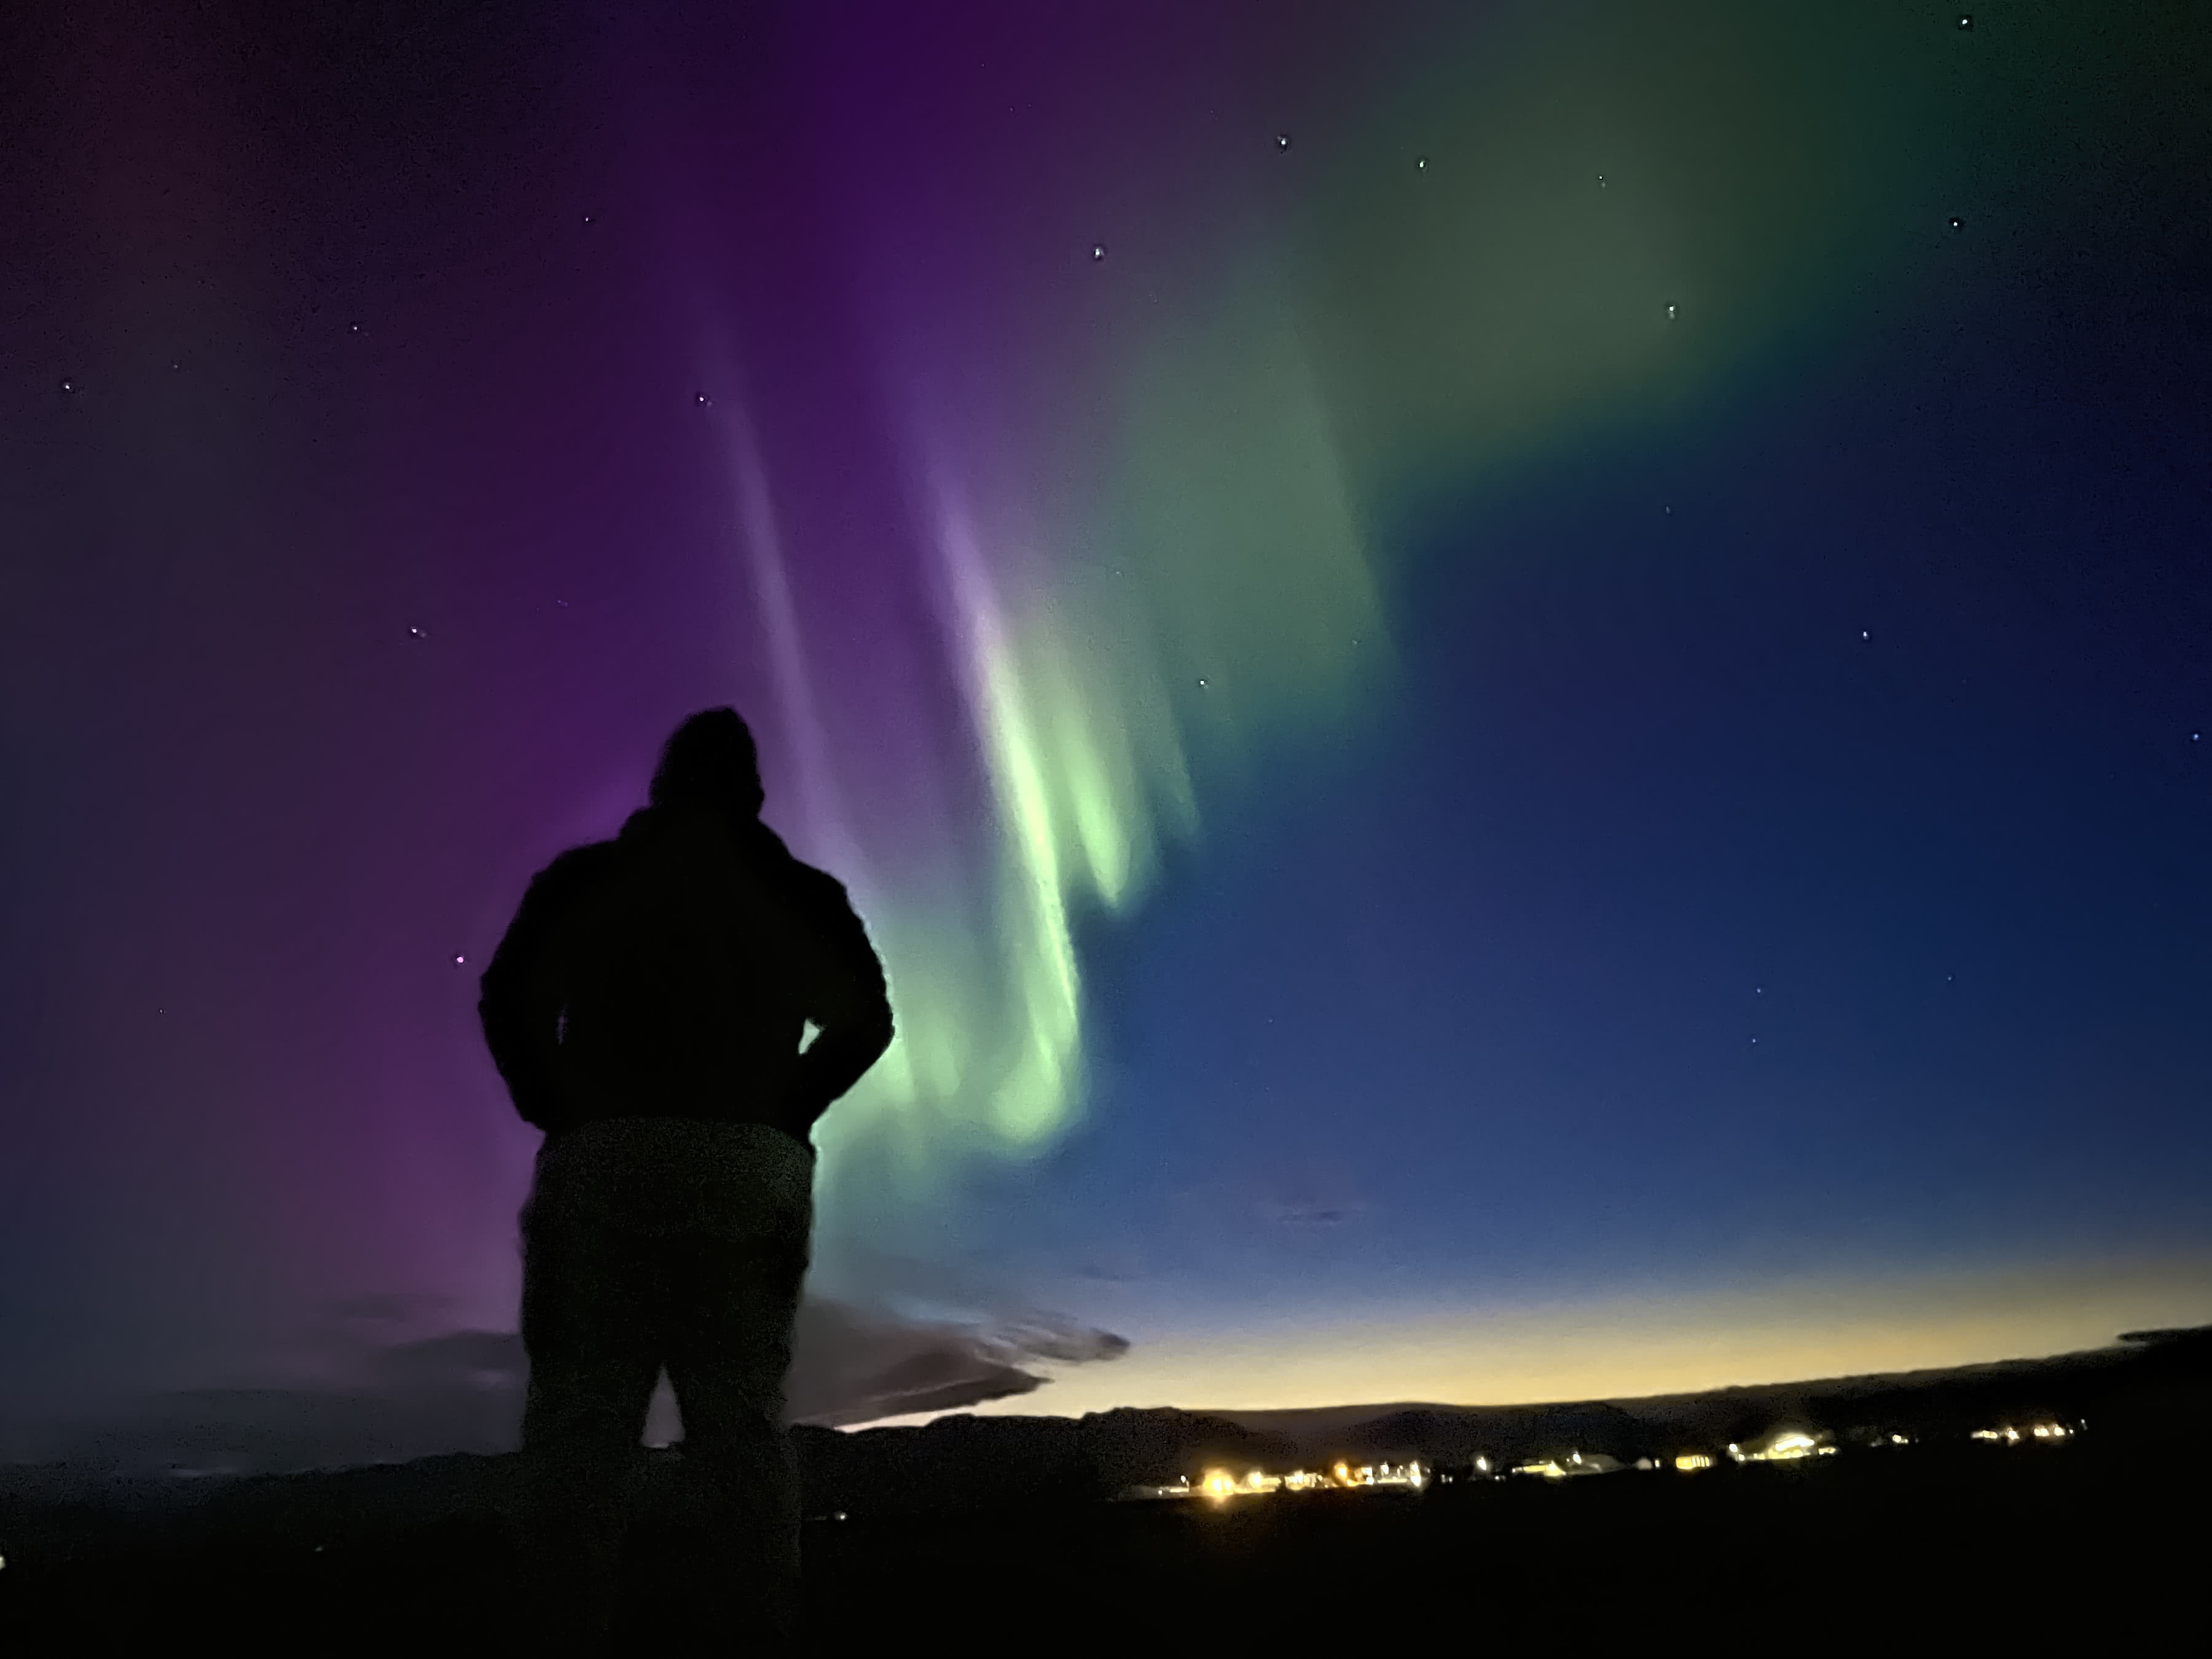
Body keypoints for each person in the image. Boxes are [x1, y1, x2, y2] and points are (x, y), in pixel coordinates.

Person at [478, 708, 893, 1653]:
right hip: (748, 1171)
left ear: (662, 788)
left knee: (581, 1433)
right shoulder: (802, 894)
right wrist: (785, 1112)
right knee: (741, 1431)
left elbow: (509, 998)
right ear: (752, 795)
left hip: (604, 1163)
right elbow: (865, 1021)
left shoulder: (587, 880)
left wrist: (559, 1106)